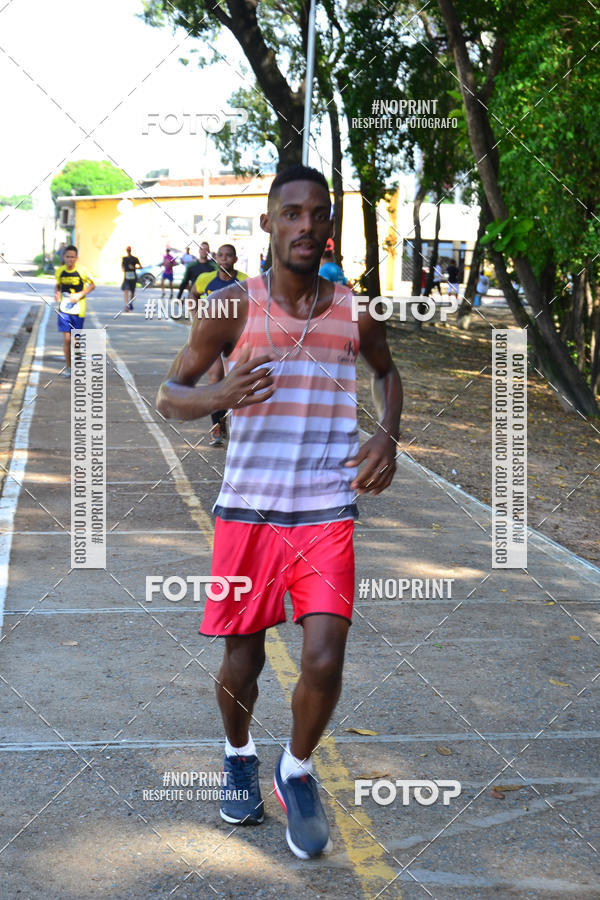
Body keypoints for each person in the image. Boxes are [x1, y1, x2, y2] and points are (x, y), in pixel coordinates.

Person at [157, 164, 402, 860]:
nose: (305, 225)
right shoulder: (230, 307)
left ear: (330, 227)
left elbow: (388, 372)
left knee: (325, 657)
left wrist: (387, 432)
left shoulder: (355, 310)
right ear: (267, 225)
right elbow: (171, 394)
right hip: (250, 514)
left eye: (317, 214)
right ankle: (238, 753)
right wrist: (221, 394)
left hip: (327, 509)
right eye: (290, 213)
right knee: (245, 659)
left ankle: (295, 769)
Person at [190, 244, 248, 447]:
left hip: (237, 338)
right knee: (214, 378)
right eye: (220, 256)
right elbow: (193, 296)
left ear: (235, 259)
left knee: (238, 380)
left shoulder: (245, 281)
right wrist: (196, 318)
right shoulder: (205, 280)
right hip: (212, 336)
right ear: (215, 258)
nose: (224, 259)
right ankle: (217, 427)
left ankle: (239, 425)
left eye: (228, 256)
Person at [54, 245, 95, 377]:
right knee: (66, 339)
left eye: (72, 257)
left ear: (76, 258)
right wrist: (57, 292)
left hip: (78, 309)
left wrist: (80, 294)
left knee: (75, 340)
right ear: (64, 258)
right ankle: (68, 367)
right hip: (64, 309)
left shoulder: (82, 271)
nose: (70, 259)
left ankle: (76, 362)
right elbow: (58, 284)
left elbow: (93, 285)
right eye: (68, 257)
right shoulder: (60, 271)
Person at [121, 245, 141, 312]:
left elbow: (141, 267)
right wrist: (123, 269)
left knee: (132, 292)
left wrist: (134, 268)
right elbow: (122, 266)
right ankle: (127, 305)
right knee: (126, 290)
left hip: (133, 277)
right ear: (126, 251)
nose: (128, 251)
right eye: (127, 250)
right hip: (127, 276)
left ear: (130, 250)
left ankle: (130, 303)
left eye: (129, 250)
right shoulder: (124, 258)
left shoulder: (135, 258)